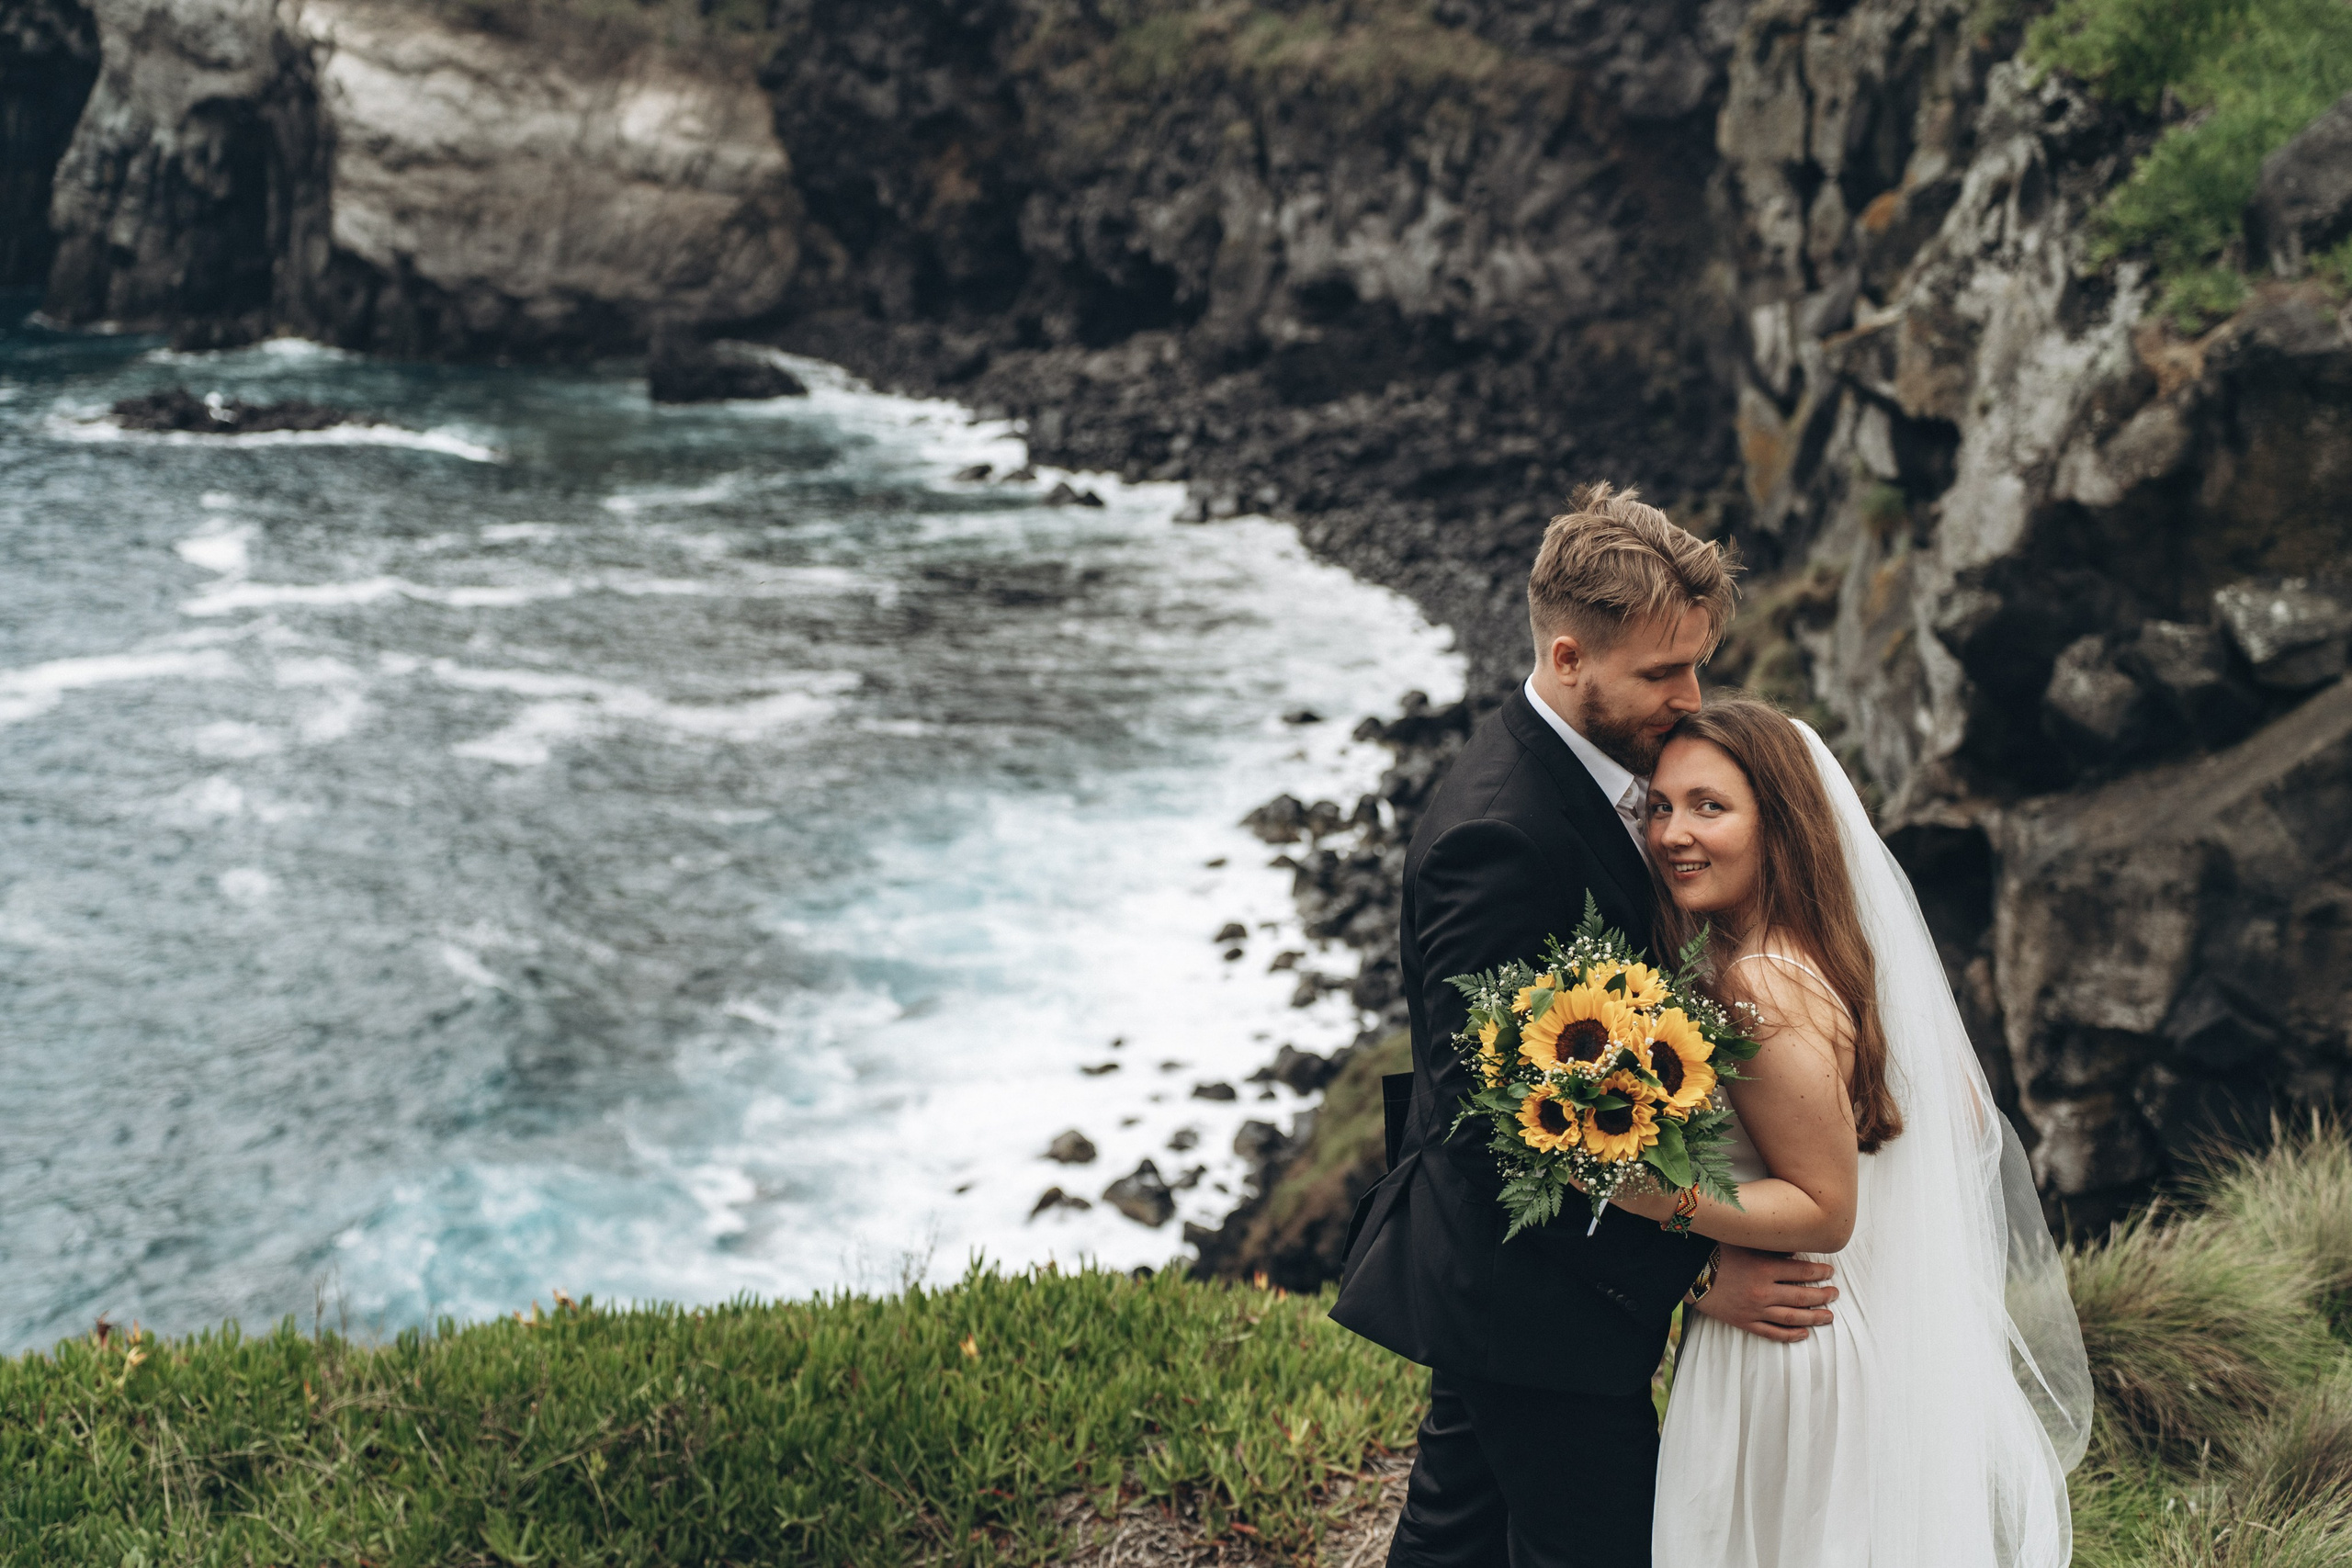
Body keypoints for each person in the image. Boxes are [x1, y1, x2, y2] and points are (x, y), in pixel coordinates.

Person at [1329, 484, 1842, 1568]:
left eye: (1696, 662)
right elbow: (1491, 1130)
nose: (1690, 695)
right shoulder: (1500, 835)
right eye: (1663, 672)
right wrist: (1693, 1274)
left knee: (1456, 1536)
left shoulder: (1599, 776)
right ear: (1569, 659)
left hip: (1509, 1294)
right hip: (1530, 1300)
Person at [1615, 696, 2091, 1566]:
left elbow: (1825, 1209)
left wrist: (1636, 1188)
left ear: (1779, 825)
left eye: (1709, 807)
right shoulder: (1823, 952)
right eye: (1661, 806)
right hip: (1837, 1325)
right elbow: (1965, 1114)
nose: (1673, 833)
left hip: (1786, 1350)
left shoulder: (1758, 981)